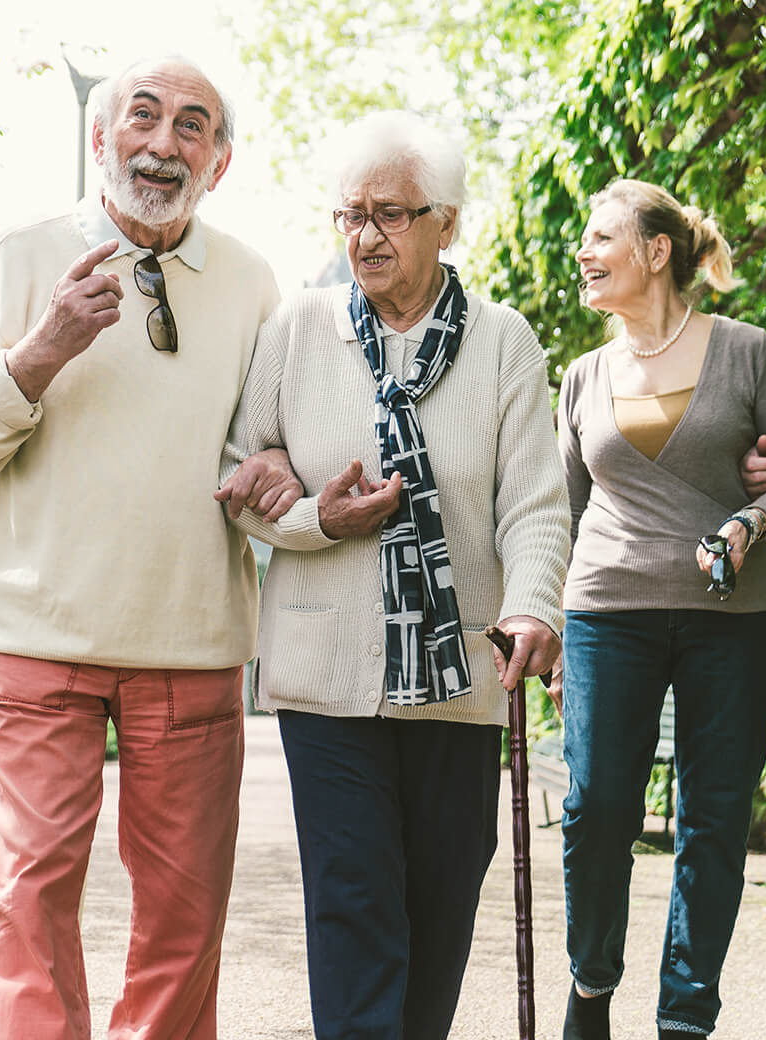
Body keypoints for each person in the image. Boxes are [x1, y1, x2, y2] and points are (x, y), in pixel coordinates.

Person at [0, 56, 296, 1040]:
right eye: (143, 117)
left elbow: (266, 448)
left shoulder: (254, 283)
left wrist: (285, 473)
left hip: (192, 640)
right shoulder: (22, 258)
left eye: (191, 125)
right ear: (99, 139)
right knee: (28, 901)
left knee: (184, 915)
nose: (163, 143)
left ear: (221, 158)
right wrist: (39, 351)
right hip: (34, 635)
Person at [222, 109, 571, 1040]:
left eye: (388, 213)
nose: (363, 236)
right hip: (325, 674)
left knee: (442, 900)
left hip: (461, 673)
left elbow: (534, 503)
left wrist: (535, 608)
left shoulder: (503, 342)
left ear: (445, 222)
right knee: (354, 897)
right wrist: (314, 518)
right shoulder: (298, 330)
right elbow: (241, 470)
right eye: (349, 215)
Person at [553, 180, 766, 1038]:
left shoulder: (744, 352)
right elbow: (562, 512)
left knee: (714, 820)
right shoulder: (583, 375)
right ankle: (591, 983)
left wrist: (752, 518)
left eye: (601, 239)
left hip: (731, 617)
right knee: (598, 808)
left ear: (656, 251)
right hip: (607, 606)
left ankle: (686, 1017)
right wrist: (555, 634)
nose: (584, 255)